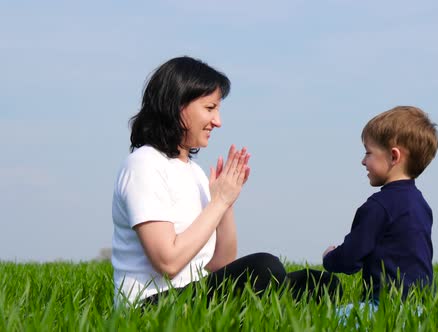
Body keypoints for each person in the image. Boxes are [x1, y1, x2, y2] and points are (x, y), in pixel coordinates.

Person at [111, 56, 339, 307]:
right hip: (151, 306)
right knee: (265, 266)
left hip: (191, 296)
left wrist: (226, 203)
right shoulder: (144, 164)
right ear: (176, 105)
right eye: (210, 109)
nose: (217, 121)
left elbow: (220, 265)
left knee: (320, 283)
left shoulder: (194, 172)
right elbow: (168, 262)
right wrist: (218, 202)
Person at [323, 106, 438, 307]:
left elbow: (350, 259)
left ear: (394, 157)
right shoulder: (421, 205)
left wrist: (330, 257)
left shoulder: (378, 207)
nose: (363, 161)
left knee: (322, 320)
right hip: (422, 308)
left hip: (383, 307)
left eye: (368, 152)